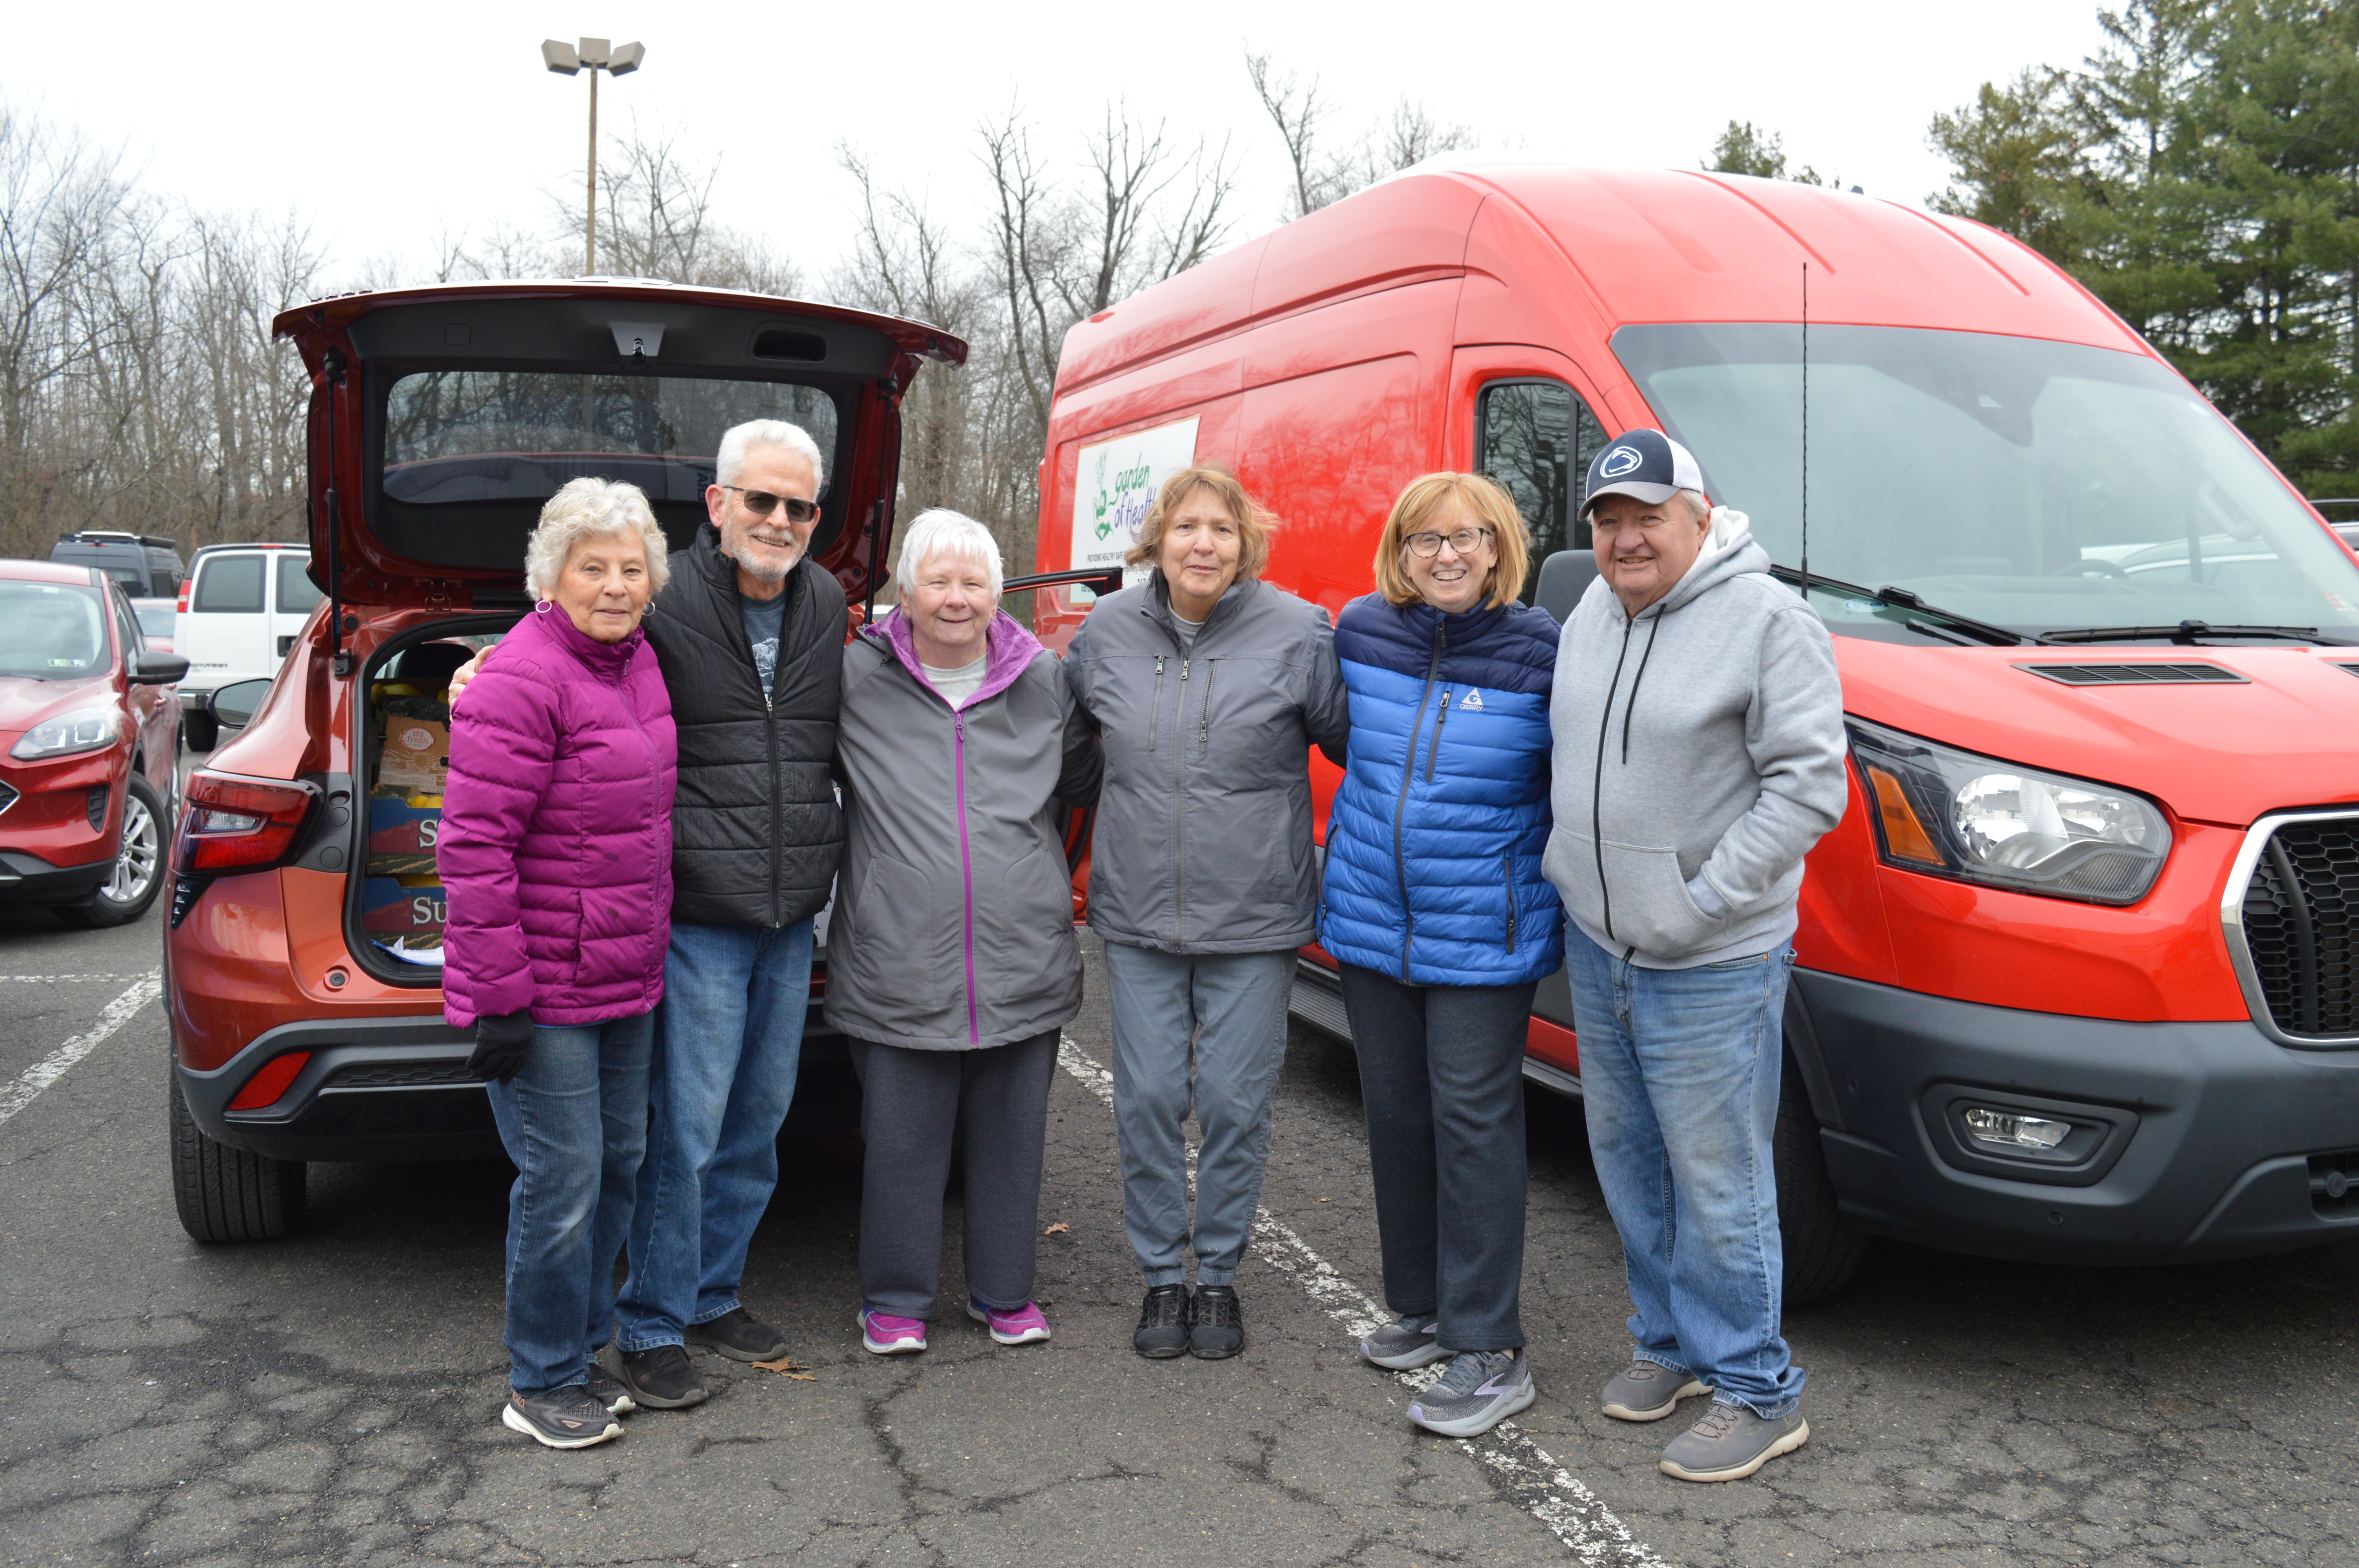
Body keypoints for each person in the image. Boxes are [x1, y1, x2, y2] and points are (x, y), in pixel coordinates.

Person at [451, 419, 847, 1412]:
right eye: (760, 499)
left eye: (799, 505)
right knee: (682, 1136)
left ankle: (710, 1293)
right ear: (719, 503)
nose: (779, 519)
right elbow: (556, 645)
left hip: (782, 912)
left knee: (753, 1126)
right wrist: (479, 669)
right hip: (695, 911)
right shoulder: (668, 606)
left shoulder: (828, 604)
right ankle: (649, 1321)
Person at [1543, 428, 1847, 1483]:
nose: (1626, 538)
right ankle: (1670, 1346)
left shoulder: (1768, 620)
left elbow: (1809, 787)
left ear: (1701, 518)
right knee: (1629, 1162)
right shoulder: (1591, 610)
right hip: (1600, 943)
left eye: (1648, 517)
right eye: (1608, 520)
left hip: (1711, 957)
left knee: (1719, 1179)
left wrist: (1705, 901)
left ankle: (1758, 1388)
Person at [1063, 463, 1349, 1361]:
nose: (1203, 544)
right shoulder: (1105, 631)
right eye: (1186, 526)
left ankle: (1216, 1276)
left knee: (1233, 1102)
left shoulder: (1298, 631)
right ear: (1157, 539)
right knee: (1147, 1098)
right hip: (1138, 912)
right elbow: (1069, 756)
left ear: (1245, 544)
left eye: (1221, 529)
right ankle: (1161, 1276)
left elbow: (1355, 744)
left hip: (1254, 916)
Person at [1320, 472, 1564, 1438]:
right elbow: (1337, 742)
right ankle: (1422, 1306)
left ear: (1499, 548)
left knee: (1472, 1120)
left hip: (1483, 930)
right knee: (1395, 1112)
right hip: (1373, 918)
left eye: (1466, 537)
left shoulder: (1540, 649)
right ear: (1400, 551)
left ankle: (1489, 1344)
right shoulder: (1359, 631)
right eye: (1424, 539)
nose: (1446, 554)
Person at [826, 510, 1101, 1355]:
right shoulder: (853, 677)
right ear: (905, 594)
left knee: (1011, 1142)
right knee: (901, 1146)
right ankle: (895, 1299)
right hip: (896, 955)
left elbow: (1089, 779)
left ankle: (1004, 1293)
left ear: (996, 593)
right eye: (938, 581)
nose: (956, 598)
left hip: (1023, 955)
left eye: (973, 582)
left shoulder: (1044, 680)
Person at [441, 477, 678, 1450]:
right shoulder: (519, 678)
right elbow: (473, 846)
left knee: (617, 1165)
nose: (615, 585)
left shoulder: (638, 661)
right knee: (563, 1177)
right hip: (542, 987)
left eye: (631, 568)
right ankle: (539, 1377)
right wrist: (496, 996)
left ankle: (579, 1353)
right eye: (593, 567)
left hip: (625, 972)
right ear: (552, 576)